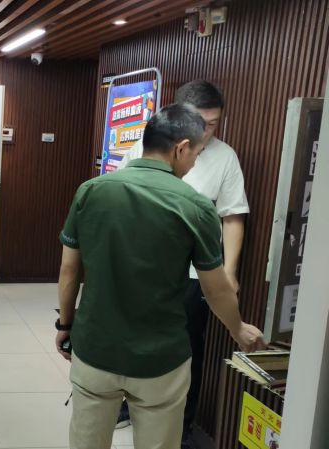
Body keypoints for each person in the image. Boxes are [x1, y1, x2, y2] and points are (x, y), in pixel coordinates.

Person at [55, 103, 266, 449]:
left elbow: (69, 271)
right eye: (196, 153)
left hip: (95, 349)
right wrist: (237, 328)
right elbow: (216, 290)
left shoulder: (90, 190)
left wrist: (65, 325)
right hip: (160, 360)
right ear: (181, 149)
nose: (194, 162)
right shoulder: (196, 206)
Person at [114, 80, 249, 447]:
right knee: (135, 337)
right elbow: (121, 194)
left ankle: (183, 427)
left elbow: (233, 216)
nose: (205, 131)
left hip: (193, 275)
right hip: (141, 268)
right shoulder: (148, 147)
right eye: (199, 122)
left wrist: (229, 272)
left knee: (187, 350)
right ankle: (128, 404)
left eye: (213, 123)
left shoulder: (225, 157)